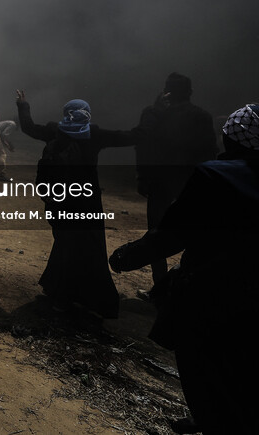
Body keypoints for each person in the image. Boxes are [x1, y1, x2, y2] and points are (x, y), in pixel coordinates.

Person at [110, 104, 258, 435]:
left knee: (202, 363)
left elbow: (173, 234)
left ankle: (211, 419)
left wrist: (126, 257)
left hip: (213, 292)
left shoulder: (214, 176)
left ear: (230, 138)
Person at [16, 90, 142, 319]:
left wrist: (23, 104)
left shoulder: (56, 130)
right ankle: (68, 298)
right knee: (86, 248)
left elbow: (29, 127)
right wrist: (155, 113)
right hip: (87, 202)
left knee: (64, 244)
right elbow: (130, 136)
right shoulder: (94, 134)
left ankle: (57, 291)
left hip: (59, 200)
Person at [135, 73, 218, 292]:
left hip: (160, 182)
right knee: (194, 233)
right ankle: (188, 286)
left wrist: (142, 177)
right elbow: (210, 152)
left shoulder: (155, 114)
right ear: (190, 92)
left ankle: (160, 288)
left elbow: (143, 147)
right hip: (191, 183)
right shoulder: (202, 116)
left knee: (156, 234)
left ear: (166, 92)